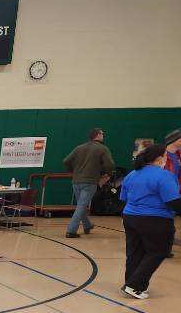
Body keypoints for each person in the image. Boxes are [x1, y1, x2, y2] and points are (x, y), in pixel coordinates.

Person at [118, 144, 180, 300]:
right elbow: (173, 202)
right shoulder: (164, 176)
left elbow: (123, 199)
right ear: (159, 159)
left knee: (135, 253)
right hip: (155, 219)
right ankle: (133, 285)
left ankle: (132, 284)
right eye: (166, 155)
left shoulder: (132, 174)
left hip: (130, 217)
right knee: (159, 251)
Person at [63, 127, 114, 238]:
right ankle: (71, 231)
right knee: (81, 206)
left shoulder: (79, 148)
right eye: (102, 134)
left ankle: (87, 225)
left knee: (81, 205)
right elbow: (109, 164)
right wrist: (107, 175)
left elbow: (66, 161)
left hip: (76, 181)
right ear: (98, 135)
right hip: (90, 181)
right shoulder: (103, 149)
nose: (103, 135)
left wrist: (73, 171)